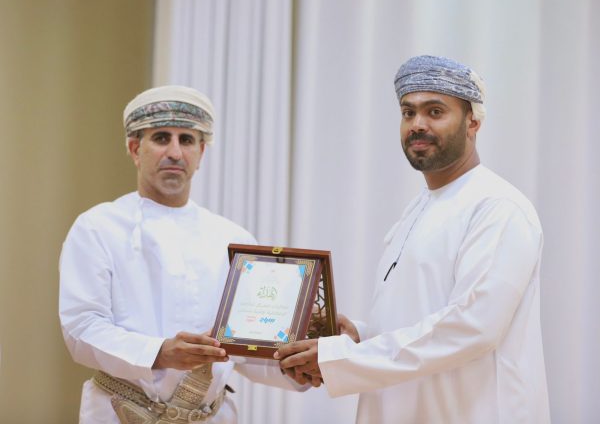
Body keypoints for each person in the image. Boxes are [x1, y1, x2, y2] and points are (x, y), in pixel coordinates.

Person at [275, 55, 550, 423]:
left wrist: (345, 359)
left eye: (435, 111)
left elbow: (473, 327)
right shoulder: (419, 208)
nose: (418, 124)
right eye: (408, 112)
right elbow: (420, 315)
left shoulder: (498, 207)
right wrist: (360, 337)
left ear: (473, 121)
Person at [59, 86, 305, 424]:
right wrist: (160, 353)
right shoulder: (97, 227)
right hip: (120, 414)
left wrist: (299, 367)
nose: (175, 152)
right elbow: (81, 329)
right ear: (135, 149)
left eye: (187, 140)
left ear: (201, 153)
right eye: (161, 138)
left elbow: (248, 347)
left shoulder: (233, 239)